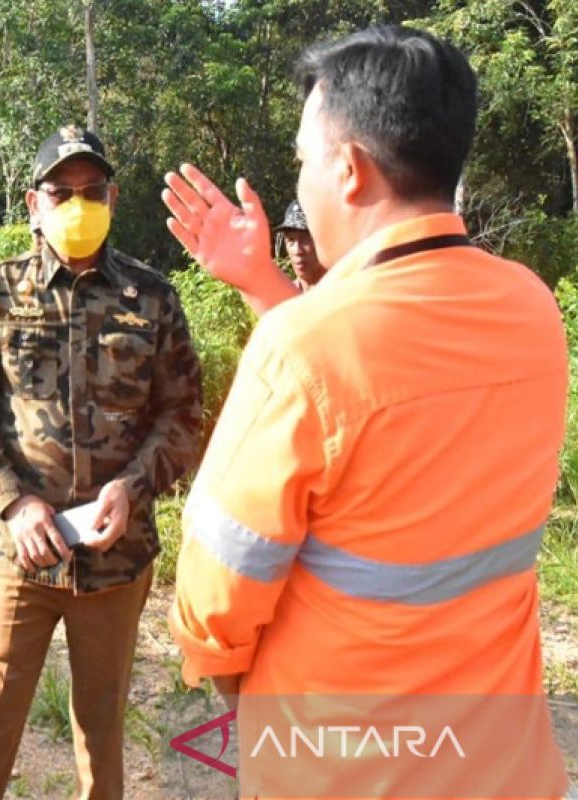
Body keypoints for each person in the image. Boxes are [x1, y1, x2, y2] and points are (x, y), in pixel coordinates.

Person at [163, 25, 571, 798]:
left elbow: (216, 596)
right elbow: (385, 387)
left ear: (348, 171)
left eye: (301, 160)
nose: (301, 180)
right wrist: (262, 284)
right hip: (503, 766)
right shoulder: (532, 308)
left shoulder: (303, 348)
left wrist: (235, 694)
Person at [0, 125, 203, 798]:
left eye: (92, 191)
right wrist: (15, 501)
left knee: (100, 725)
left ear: (112, 199)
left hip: (116, 559)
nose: (77, 204)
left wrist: (135, 487)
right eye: (61, 192)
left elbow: (182, 417)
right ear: (34, 203)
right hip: (21, 552)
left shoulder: (152, 298)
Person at [273, 200, 325, 289]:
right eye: (291, 240)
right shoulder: (284, 298)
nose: (297, 251)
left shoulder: (344, 294)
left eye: (305, 240)